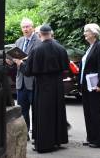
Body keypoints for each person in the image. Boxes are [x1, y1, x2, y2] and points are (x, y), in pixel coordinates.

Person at [13, 24, 69, 153]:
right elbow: (65, 68)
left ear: (39, 35)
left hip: (43, 87)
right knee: (57, 112)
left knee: (44, 115)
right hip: (57, 86)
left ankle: (44, 144)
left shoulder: (37, 50)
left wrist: (20, 63)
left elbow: (28, 71)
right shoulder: (60, 48)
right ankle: (57, 140)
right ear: (51, 33)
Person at [7, 18, 41, 140]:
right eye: (23, 27)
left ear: (32, 27)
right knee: (22, 111)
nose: (25, 29)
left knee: (36, 111)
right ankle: (24, 135)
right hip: (20, 82)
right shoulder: (19, 41)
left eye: (27, 27)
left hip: (33, 81)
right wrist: (10, 61)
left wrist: (21, 62)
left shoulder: (38, 42)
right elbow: (13, 60)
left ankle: (37, 136)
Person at [79, 23, 100, 148]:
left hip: (95, 86)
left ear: (93, 33)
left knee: (95, 112)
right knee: (88, 112)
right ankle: (91, 137)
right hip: (86, 85)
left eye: (87, 31)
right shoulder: (90, 47)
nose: (84, 33)